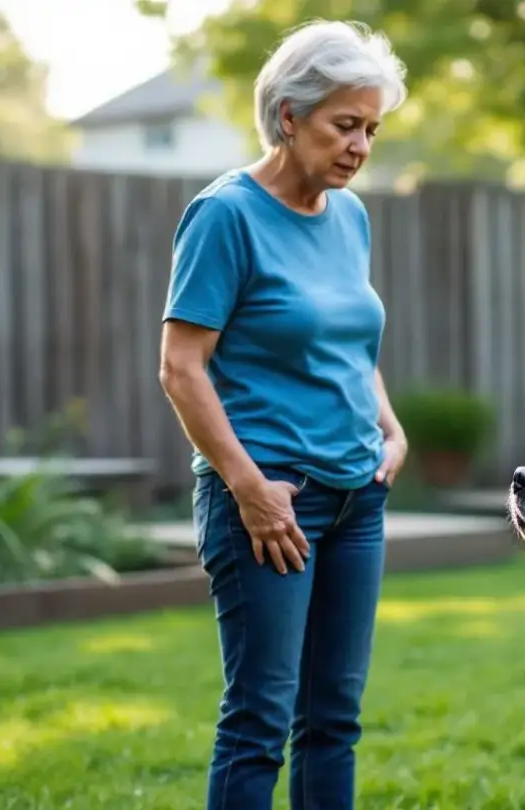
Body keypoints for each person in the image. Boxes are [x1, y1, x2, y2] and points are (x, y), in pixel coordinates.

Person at [157, 20, 409, 810]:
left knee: (334, 720)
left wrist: (389, 424)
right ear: (290, 114)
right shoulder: (225, 215)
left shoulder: (349, 217)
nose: (360, 146)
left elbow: (346, 341)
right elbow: (181, 366)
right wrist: (249, 488)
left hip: (356, 499)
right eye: (345, 125)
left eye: (371, 128)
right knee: (260, 722)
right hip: (269, 503)